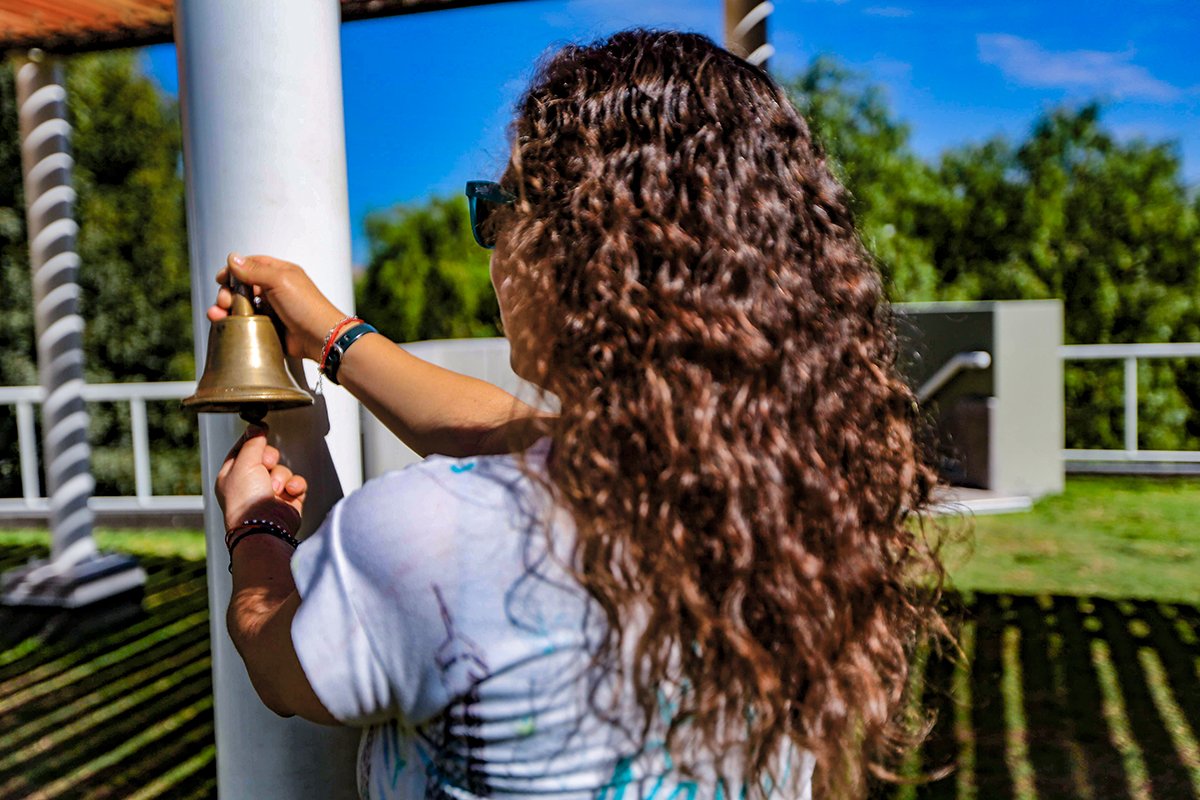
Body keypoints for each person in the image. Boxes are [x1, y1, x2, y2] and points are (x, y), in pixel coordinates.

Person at [212, 30, 948, 800]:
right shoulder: (792, 505)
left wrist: (257, 529)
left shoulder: (429, 540)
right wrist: (335, 337)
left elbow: (277, 662)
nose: (493, 241)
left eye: (497, 207)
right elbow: (506, 430)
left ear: (575, 246)